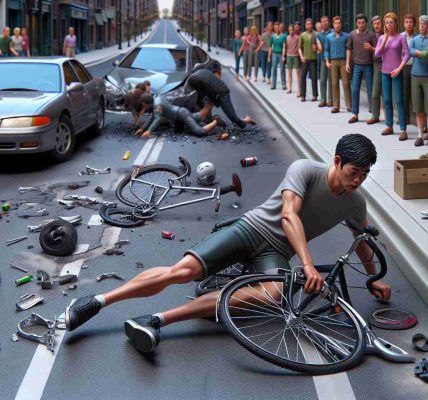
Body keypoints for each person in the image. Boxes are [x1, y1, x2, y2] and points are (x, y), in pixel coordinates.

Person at [65, 133, 392, 357]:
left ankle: (155, 320)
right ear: (337, 161)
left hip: (276, 252)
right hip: (251, 228)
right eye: (354, 172)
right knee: (184, 271)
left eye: (364, 175)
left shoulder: (355, 203)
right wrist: (307, 266)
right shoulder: (306, 170)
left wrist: (374, 279)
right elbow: (290, 216)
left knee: (275, 294)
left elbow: (362, 241)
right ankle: (96, 301)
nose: (357, 181)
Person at [186, 61, 256, 128]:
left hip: (222, 93)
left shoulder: (192, 82)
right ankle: (213, 122)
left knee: (234, 119)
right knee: (205, 106)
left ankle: (247, 119)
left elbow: (200, 99)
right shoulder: (196, 77)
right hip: (214, 93)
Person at [375, 12, 410, 139]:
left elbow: (407, 53)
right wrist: (385, 38)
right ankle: (389, 125)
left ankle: (403, 129)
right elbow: (377, 54)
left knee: (399, 100)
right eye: (387, 22)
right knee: (387, 100)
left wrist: (400, 68)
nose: (389, 25)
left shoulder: (401, 37)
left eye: (391, 22)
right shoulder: (381, 38)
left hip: (397, 72)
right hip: (384, 72)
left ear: (395, 23)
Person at [133, 93, 219, 138]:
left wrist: (149, 131)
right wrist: (142, 129)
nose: (143, 106)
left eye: (143, 104)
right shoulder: (156, 99)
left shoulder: (156, 106)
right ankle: (209, 104)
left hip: (181, 115)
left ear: (146, 103)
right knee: (195, 118)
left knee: (198, 131)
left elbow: (157, 119)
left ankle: (216, 121)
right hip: (181, 113)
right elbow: (152, 118)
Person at [346, 14, 377, 124]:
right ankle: (355, 114)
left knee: (370, 90)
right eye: (358, 22)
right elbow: (349, 49)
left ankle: (374, 113)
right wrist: (347, 63)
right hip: (357, 65)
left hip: (369, 65)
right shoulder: (352, 34)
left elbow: (377, 50)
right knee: (355, 89)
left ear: (366, 23)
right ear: (356, 23)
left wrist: (371, 48)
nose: (360, 24)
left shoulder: (371, 35)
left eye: (362, 22)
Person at [325, 16, 351, 113]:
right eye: (335, 23)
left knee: (346, 83)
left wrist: (348, 62)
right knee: (334, 83)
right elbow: (326, 50)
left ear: (341, 24)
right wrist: (327, 61)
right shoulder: (329, 37)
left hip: (344, 61)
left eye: (339, 23)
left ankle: (349, 105)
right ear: (333, 25)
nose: (337, 25)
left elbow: (349, 49)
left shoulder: (346, 36)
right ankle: (336, 105)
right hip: (333, 62)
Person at [409, 15, 428, 146]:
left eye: (424, 24)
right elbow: (409, 51)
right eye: (420, 24)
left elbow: (425, 54)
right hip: (415, 75)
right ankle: (420, 135)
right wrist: (419, 53)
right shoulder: (414, 39)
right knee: (418, 107)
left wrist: (419, 53)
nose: (422, 26)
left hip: (427, 76)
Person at [367, 16, 383, 125]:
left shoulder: (386, 34)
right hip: (376, 64)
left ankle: (395, 117)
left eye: (378, 23)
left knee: (389, 93)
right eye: (374, 24)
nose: (377, 26)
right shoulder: (370, 36)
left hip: (389, 63)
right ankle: (375, 115)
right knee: (375, 92)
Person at [298, 18, 318, 102]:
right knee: (303, 77)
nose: (308, 25)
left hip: (313, 59)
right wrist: (301, 56)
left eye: (309, 24)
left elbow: (319, 46)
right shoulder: (302, 35)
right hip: (305, 59)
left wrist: (316, 48)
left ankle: (315, 95)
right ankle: (303, 95)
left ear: (312, 25)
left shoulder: (315, 34)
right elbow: (299, 48)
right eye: (307, 24)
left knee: (314, 77)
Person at [401, 14, 416, 125]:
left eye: (411, 22)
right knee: (404, 93)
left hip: (415, 68)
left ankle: (417, 120)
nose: (409, 24)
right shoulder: (400, 37)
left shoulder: (417, 37)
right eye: (406, 22)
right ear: (403, 24)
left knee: (415, 94)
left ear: (414, 24)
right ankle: (405, 118)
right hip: (404, 67)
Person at [317, 16, 333, 107]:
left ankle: (330, 101)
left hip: (332, 59)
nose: (324, 23)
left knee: (331, 80)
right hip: (323, 59)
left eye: (326, 21)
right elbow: (317, 48)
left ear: (329, 22)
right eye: (322, 22)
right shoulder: (319, 35)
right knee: (322, 80)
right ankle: (323, 99)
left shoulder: (333, 32)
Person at [268, 21, 287, 90]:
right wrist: (269, 56)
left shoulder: (283, 36)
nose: (276, 29)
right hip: (274, 54)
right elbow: (270, 46)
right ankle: (273, 84)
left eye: (277, 27)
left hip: (280, 54)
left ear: (279, 28)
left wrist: (283, 56)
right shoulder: (272, 36)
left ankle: (283, 84)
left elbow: (284, 46)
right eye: (275, 28)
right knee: (274, 69)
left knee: (282, 69)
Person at [286, 23, 301, 95]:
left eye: (291, 30)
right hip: (289, 56)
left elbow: (299, 47)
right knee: (289, 73)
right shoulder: (287, 37)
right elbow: (285, 47)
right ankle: (290, 88)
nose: (290, 31)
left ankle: (299, 90)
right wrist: (284, 55)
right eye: (289, 30)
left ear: (293, 30)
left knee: (298, 73)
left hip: (296, 56)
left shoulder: (297, 37)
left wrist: (300, 56)